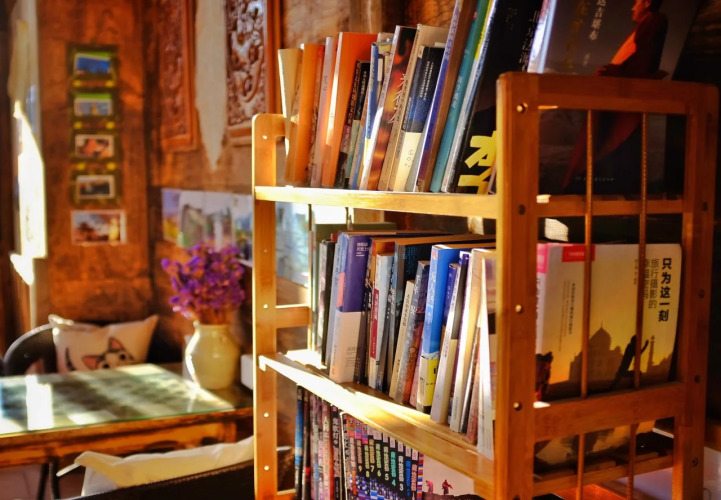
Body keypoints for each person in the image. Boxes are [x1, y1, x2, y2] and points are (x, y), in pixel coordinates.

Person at [563, 0, 668, 193]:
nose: (633, 8)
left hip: (628, 98)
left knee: (612, 147)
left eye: (637, 2)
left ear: (647, 3)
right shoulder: (648, 24)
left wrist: (612, 72)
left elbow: (642, 64)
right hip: (620, 94)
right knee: (605, 147)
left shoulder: (656, 21)